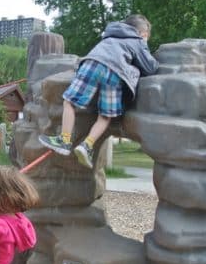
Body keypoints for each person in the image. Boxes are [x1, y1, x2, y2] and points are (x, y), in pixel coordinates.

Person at [38, 14, 159, 168]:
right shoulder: (137, 41)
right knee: (105, 116)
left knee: (69, 102)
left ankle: (65, 139)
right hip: (115, 73)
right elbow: (150, 68)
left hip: (93, 64)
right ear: (143, 33)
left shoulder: (110, 34)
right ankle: (87, 145)